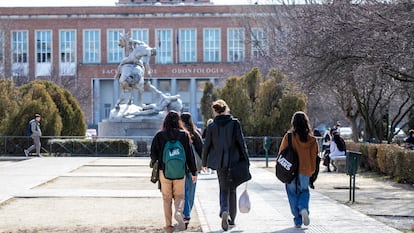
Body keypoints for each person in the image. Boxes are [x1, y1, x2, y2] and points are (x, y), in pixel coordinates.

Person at [201, 99, 250, 231]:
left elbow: (206, 146)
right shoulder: (235, 123)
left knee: (223, 189)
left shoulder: (211, 126)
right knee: (232, 189)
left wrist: (204, 163)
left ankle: (224, 210)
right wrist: (246, 159)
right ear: (226, 109)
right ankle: (232, 220)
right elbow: (241, 143)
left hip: (219, 162)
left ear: (215, 111)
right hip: (234, 161)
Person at [150, 111, 197, 233]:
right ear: (179, 121)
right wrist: (193, 172)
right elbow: (190, 155)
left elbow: (153, 155)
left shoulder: (159, 135)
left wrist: (156, 161)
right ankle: (178, 213)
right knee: (180, 196)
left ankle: (168, 226)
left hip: (164, 171)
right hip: (180, 172)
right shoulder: (183, 135)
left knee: (166, 198)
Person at [278, 111, 318, 228]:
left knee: (292, 194)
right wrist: (311, 171)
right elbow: (314, 157)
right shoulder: (312, 140)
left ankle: (297, 219)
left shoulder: (289, 137)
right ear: (306, 123)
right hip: (305, 171)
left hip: (290, 170)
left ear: (293, 123)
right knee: (304, 191)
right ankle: (304, 208)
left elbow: (281, 153)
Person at [180, 112, 203, 229]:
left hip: (182, 165)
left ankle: (186, 213)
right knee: (191, 191)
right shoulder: (195, 133)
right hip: (194, 167)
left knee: (184, 190)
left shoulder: (180, 134)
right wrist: (204, 163)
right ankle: (188, 212)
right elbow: (201, 149)